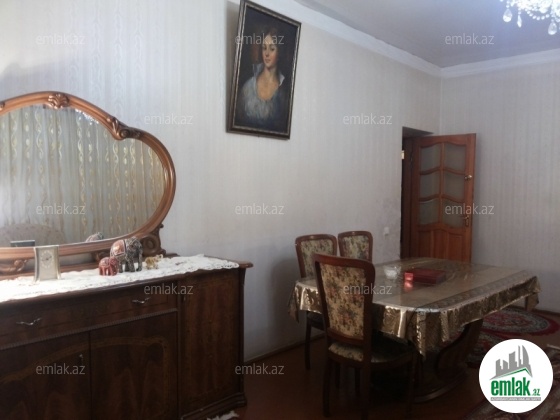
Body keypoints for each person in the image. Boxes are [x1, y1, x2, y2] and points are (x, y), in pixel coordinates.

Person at [236, 28, 288, 132]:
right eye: (264, 48)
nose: (267, 54)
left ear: (279, 52)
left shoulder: (283, 92)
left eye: (272, 49)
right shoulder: (248, 87)